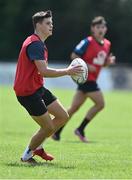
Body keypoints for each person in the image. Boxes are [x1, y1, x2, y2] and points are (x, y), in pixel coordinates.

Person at [14, 10, 83, 164]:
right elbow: (44, 71)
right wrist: (68, 71)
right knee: (49, 128)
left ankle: (38, 146)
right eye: (48, 23)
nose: (51, 26)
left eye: (52, 23)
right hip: (27, 93)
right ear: (38, 25)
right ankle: (27, 155)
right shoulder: (35, 44)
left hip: (37, 88)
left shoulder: (38, 43)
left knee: (63, 116)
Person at [52, 16, 116, 142]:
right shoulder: (87, 41)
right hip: (86, 79)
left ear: (106, 29)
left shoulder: (107, 44)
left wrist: (108, 62)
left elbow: (102, 63)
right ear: (92, 29)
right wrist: (87, 65)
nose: (100, 30)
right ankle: (80, 129)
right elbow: (74, 55)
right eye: (98, 27)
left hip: (91, 80)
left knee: (74, 108)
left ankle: (56, 131)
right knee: (100, 104)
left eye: (103, 27)